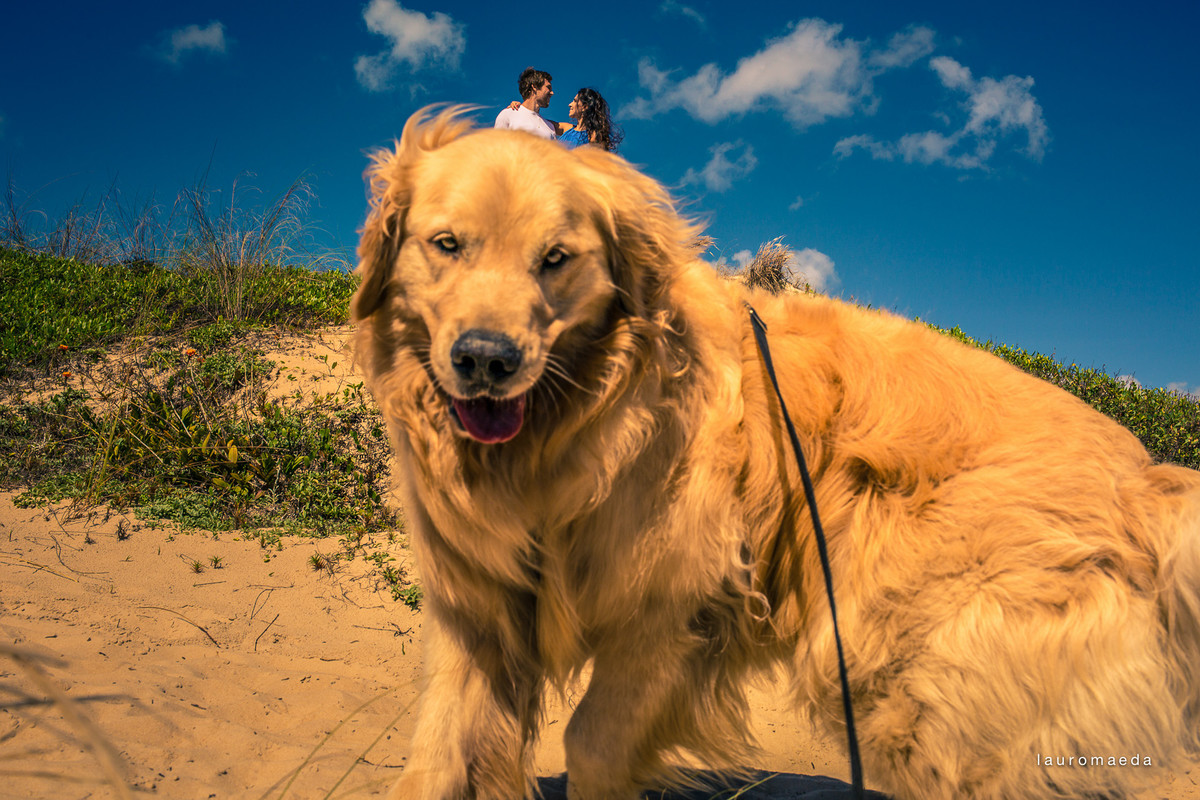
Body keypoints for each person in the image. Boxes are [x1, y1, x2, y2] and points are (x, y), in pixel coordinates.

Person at [506, 86, 624, 152]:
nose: (570, 104)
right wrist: (521, 108)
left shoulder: (594, 135)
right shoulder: (567, 128)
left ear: (585, 107)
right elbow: (536, 120)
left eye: (575, 101)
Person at [493, 67, 557, 140]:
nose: (552, 93)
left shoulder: (550, 126)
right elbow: (496, 147)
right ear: (534, 87)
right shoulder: (508, 114)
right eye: (548, 87)